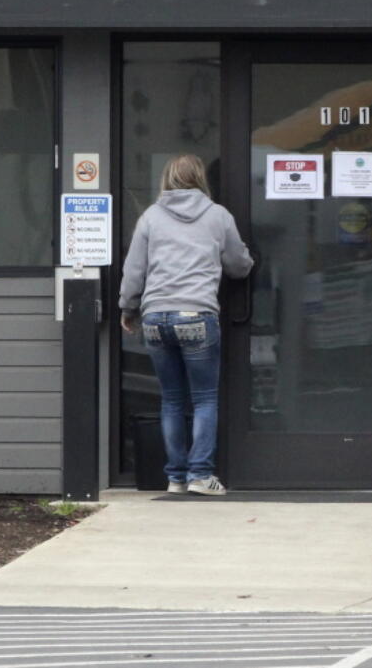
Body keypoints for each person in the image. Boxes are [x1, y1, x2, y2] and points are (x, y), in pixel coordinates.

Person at [118, 154, 253, 496]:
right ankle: (200, 475)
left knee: (172, 399)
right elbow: (239, 265)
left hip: (155, 317)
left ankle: (175, 477)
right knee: (205, 398)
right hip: (196, 314)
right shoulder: (217, 215)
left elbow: (135, 270)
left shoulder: (150, 217)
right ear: (200, 178)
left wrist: (127, 307)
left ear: (167, 179)